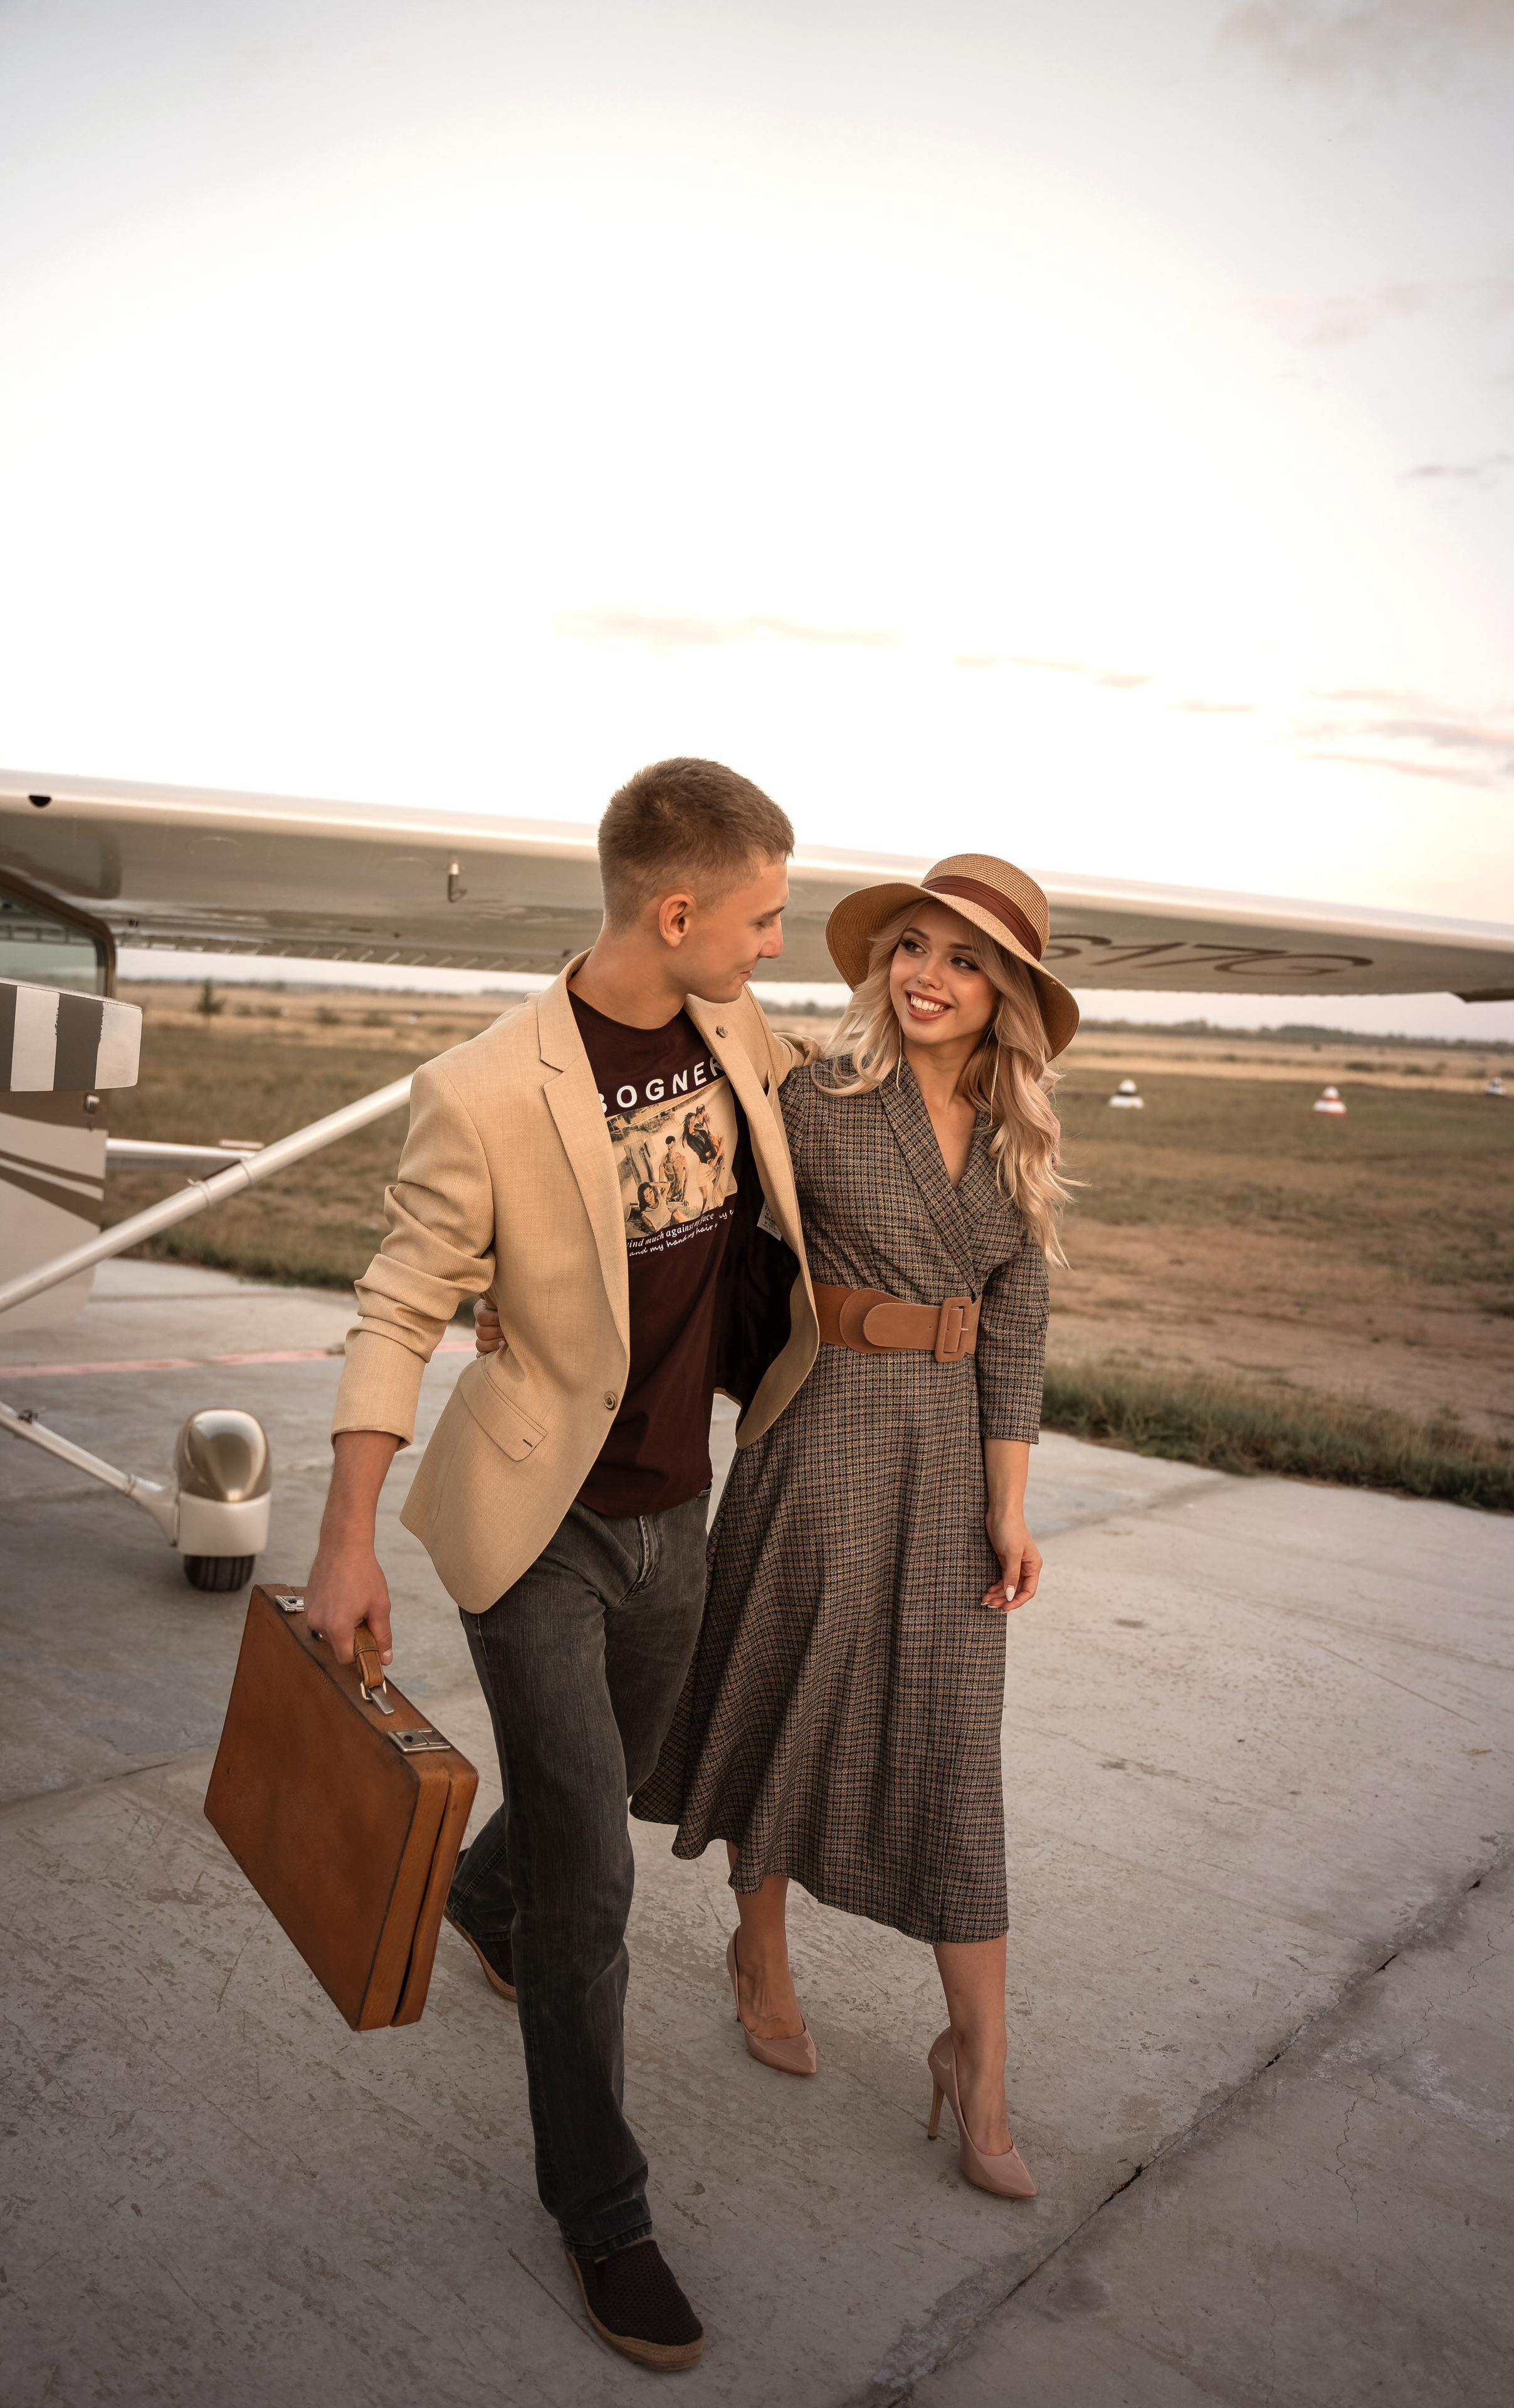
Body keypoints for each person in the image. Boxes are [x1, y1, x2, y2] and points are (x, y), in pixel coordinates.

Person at [302, 758, 819, 2375]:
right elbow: (400, 1305)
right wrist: (343, 1543)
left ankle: (480, 1895)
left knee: (617, 1784)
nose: (773, 947)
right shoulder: (481, 1090)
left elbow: (825, 1137)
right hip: (537, 1529)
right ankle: (602, 2214)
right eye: (759, 919)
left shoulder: (738, 1031)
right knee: (594, 1882)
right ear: (674, 913)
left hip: (680, 1510)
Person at [633, 853, 1076, 2199]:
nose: (928, 976)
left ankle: (978, 2060)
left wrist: (1009, 1508)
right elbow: (677, 1210)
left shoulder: (1016, 1141)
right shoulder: (813, 1099)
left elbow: (1016, 1331)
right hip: (818, 1431)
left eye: (964, 960)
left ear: (1005, 995)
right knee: (782, 1688)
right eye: (914, 948)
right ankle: (758, 1949)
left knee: (953, 1751)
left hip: (947, 1463)